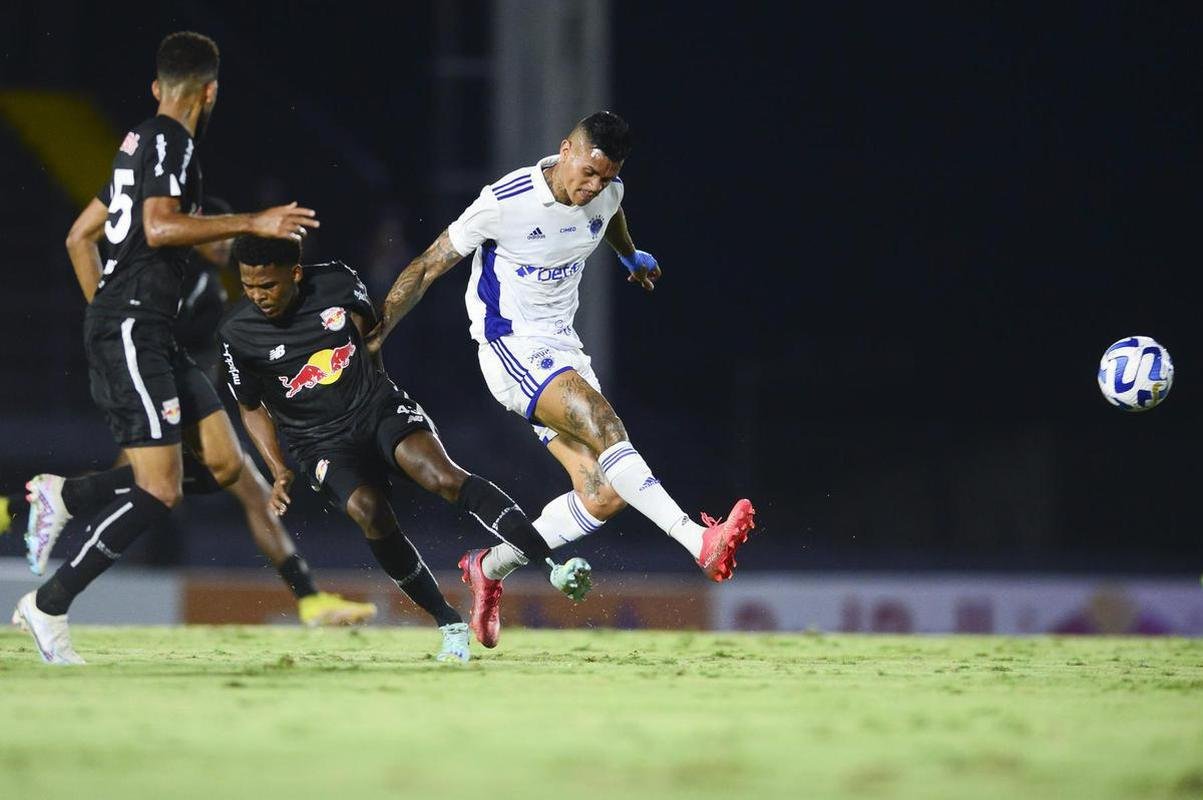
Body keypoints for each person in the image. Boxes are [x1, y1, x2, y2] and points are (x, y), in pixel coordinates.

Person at [367, 111, 756, 649]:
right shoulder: (504, 202)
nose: (592, 186)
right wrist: (379, 330)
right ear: (566, 148)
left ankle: (489, 566)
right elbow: (429, 265)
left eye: (605, 176)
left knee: (602, 494)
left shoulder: (608, 192)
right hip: (511, 347)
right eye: (588, 172)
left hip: (563, 349)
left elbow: (611, 214)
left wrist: (630, 257)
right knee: (605, 423)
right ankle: (697, 541)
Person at [12, 31, 320, 665]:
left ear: (160, 86)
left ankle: (64, 496)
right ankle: (48, 605)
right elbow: (158, 226)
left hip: (147, 330)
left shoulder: (133, 145)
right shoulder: (171, 142)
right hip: (136, 328)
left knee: (224, 465)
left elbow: (79, 237)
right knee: (160, 491)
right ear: (209, 92)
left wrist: (107, 307)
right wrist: (251, 221)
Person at [218, 235, 593, 661]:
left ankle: (552, 567)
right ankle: (449, 621)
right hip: (317, 441)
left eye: (267, 285)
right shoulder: (237, 333)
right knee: (369, 511)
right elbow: (250, 406)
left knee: (443, 477)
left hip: (376, 408)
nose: (257, 296)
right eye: (248, 286)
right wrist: (277, 467)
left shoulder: (338, 282)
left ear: (295, 273)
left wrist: (374, 388)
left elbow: (371, 334)